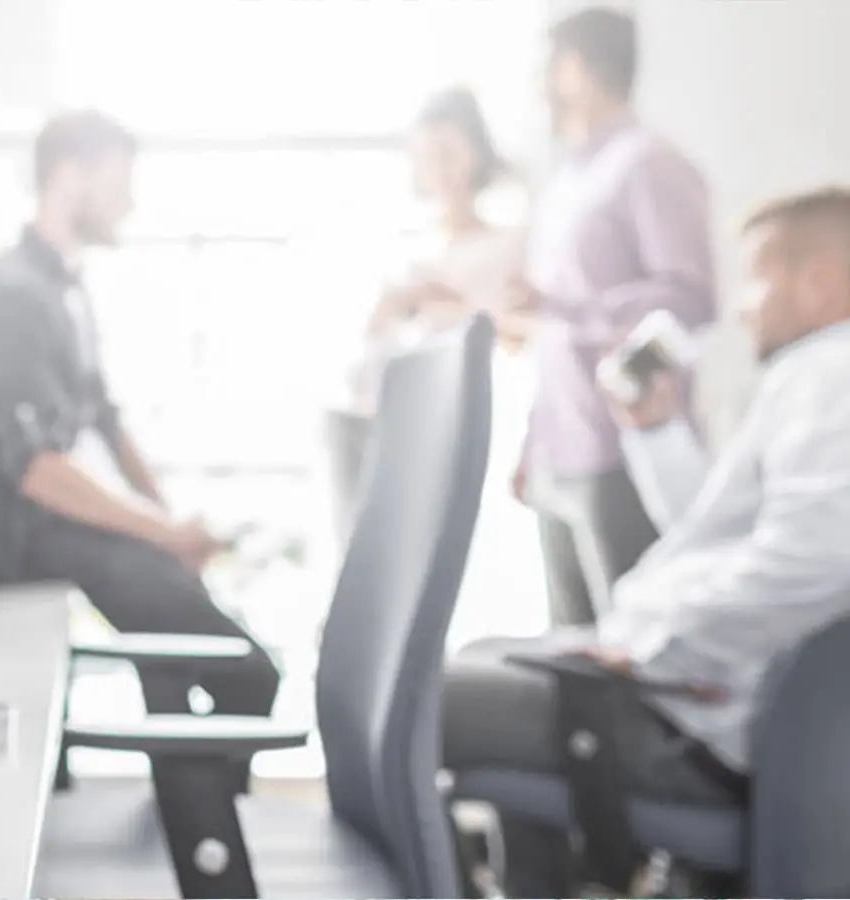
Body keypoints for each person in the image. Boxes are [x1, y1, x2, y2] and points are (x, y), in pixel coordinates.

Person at [443, 186, 850, 897]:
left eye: (759, 275)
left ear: (821, 281)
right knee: (479, 662)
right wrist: (655, 430)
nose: (742, 304)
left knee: (417, 699)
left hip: (689, 728)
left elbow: (818, 558)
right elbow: (718, 536)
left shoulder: (834, 374)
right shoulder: (811, 380)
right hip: (686, 703)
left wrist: (646, 647)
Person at [0, 112, 280, 739]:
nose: (130, 202)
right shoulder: (12, 297)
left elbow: (106, 421)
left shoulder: (65, 291)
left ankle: (185, 819)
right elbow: (39, 470)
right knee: (251, 673)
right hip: (23, 538)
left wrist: (171, 528)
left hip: (63, 531)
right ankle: (200, 831)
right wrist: (164, 533)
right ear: (69, 177)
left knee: (190, 645)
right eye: (120, 183)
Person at [513, 7, 717, 627]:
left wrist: (564, 307)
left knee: (627, 657)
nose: (535, 85)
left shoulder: (648, 164)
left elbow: (689, 299)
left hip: (623, 458)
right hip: (560, 453)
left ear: (576, 69)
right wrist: (532, 443)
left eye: (543, 68)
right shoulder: (566, 180)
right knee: (566, 663)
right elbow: (550, 332)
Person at [346, 86, 546, 646]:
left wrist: (451, 303)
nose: (440, 168)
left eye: (450, 151)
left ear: (477, 153)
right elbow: (368, 354)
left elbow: (520, 339)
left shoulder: (508, 245)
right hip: (392, 432)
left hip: (469, 428)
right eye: (427, 154)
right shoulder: (404, 246)